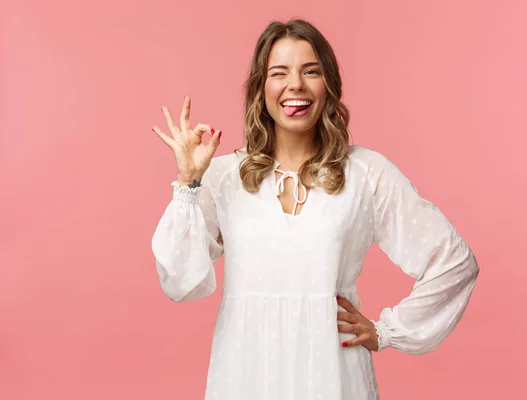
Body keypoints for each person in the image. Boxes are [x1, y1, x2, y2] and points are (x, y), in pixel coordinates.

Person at [151, 18, 479, 400]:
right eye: (279, 73)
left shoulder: (366, 173)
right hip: (246, 372)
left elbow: (454, 261)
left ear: (329, 85)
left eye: (311, 71)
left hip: (334, 373)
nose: (295, 85)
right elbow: (180, 281)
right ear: (261, 87)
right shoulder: (223, 175)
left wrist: (387, 330)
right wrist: (189, 182)